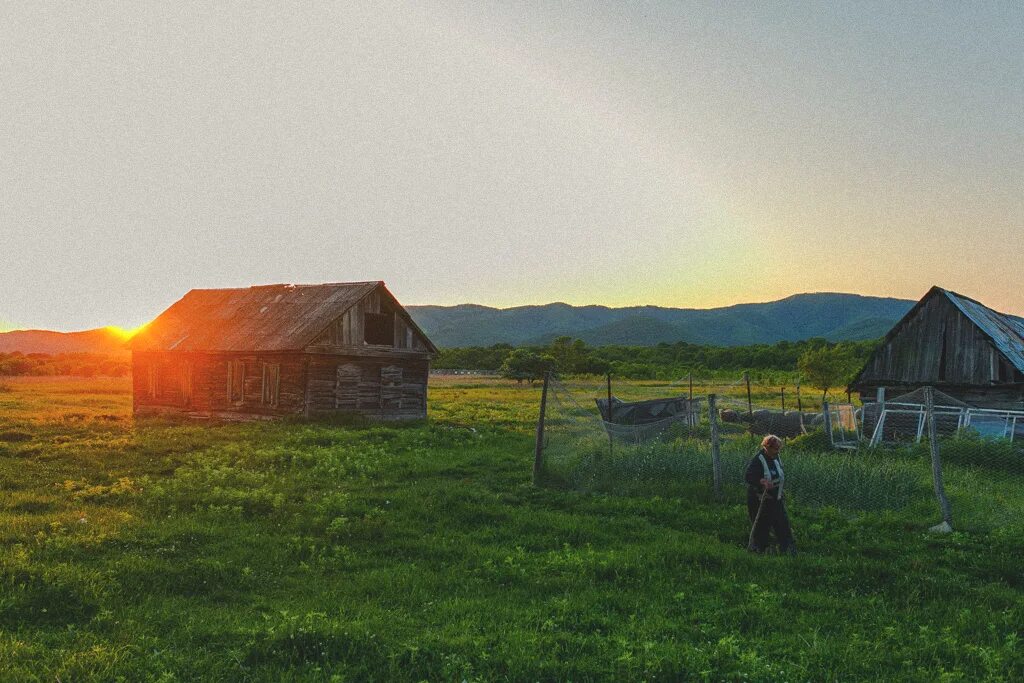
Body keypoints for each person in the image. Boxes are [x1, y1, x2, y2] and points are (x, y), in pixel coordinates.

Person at [744, 434, 796, 555]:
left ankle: (788, 549)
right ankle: (759, 550)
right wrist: (762, 482)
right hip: (759, 500)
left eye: (779, 449)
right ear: (767, 447)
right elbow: (749, 477)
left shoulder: (776, 457)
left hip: (775, 498)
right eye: (775, 449)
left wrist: (780, 490)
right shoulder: (758, 460)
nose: (778, 452)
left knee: (782, 524)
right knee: (762, 526)